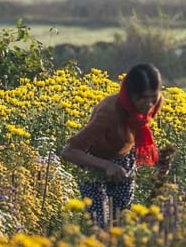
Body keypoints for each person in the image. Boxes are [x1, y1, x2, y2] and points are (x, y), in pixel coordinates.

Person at [60, 63, 175, 228]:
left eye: (153, 98)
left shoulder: (155, 102)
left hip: (123, 160)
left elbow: (137, 131)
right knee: (99, 226)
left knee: (121, 222)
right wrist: (106, 166)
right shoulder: (108, 112)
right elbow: (69, 151)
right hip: (93, 162)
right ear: (131, 95)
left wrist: (157, 161)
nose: (149, 105)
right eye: (143, 98)